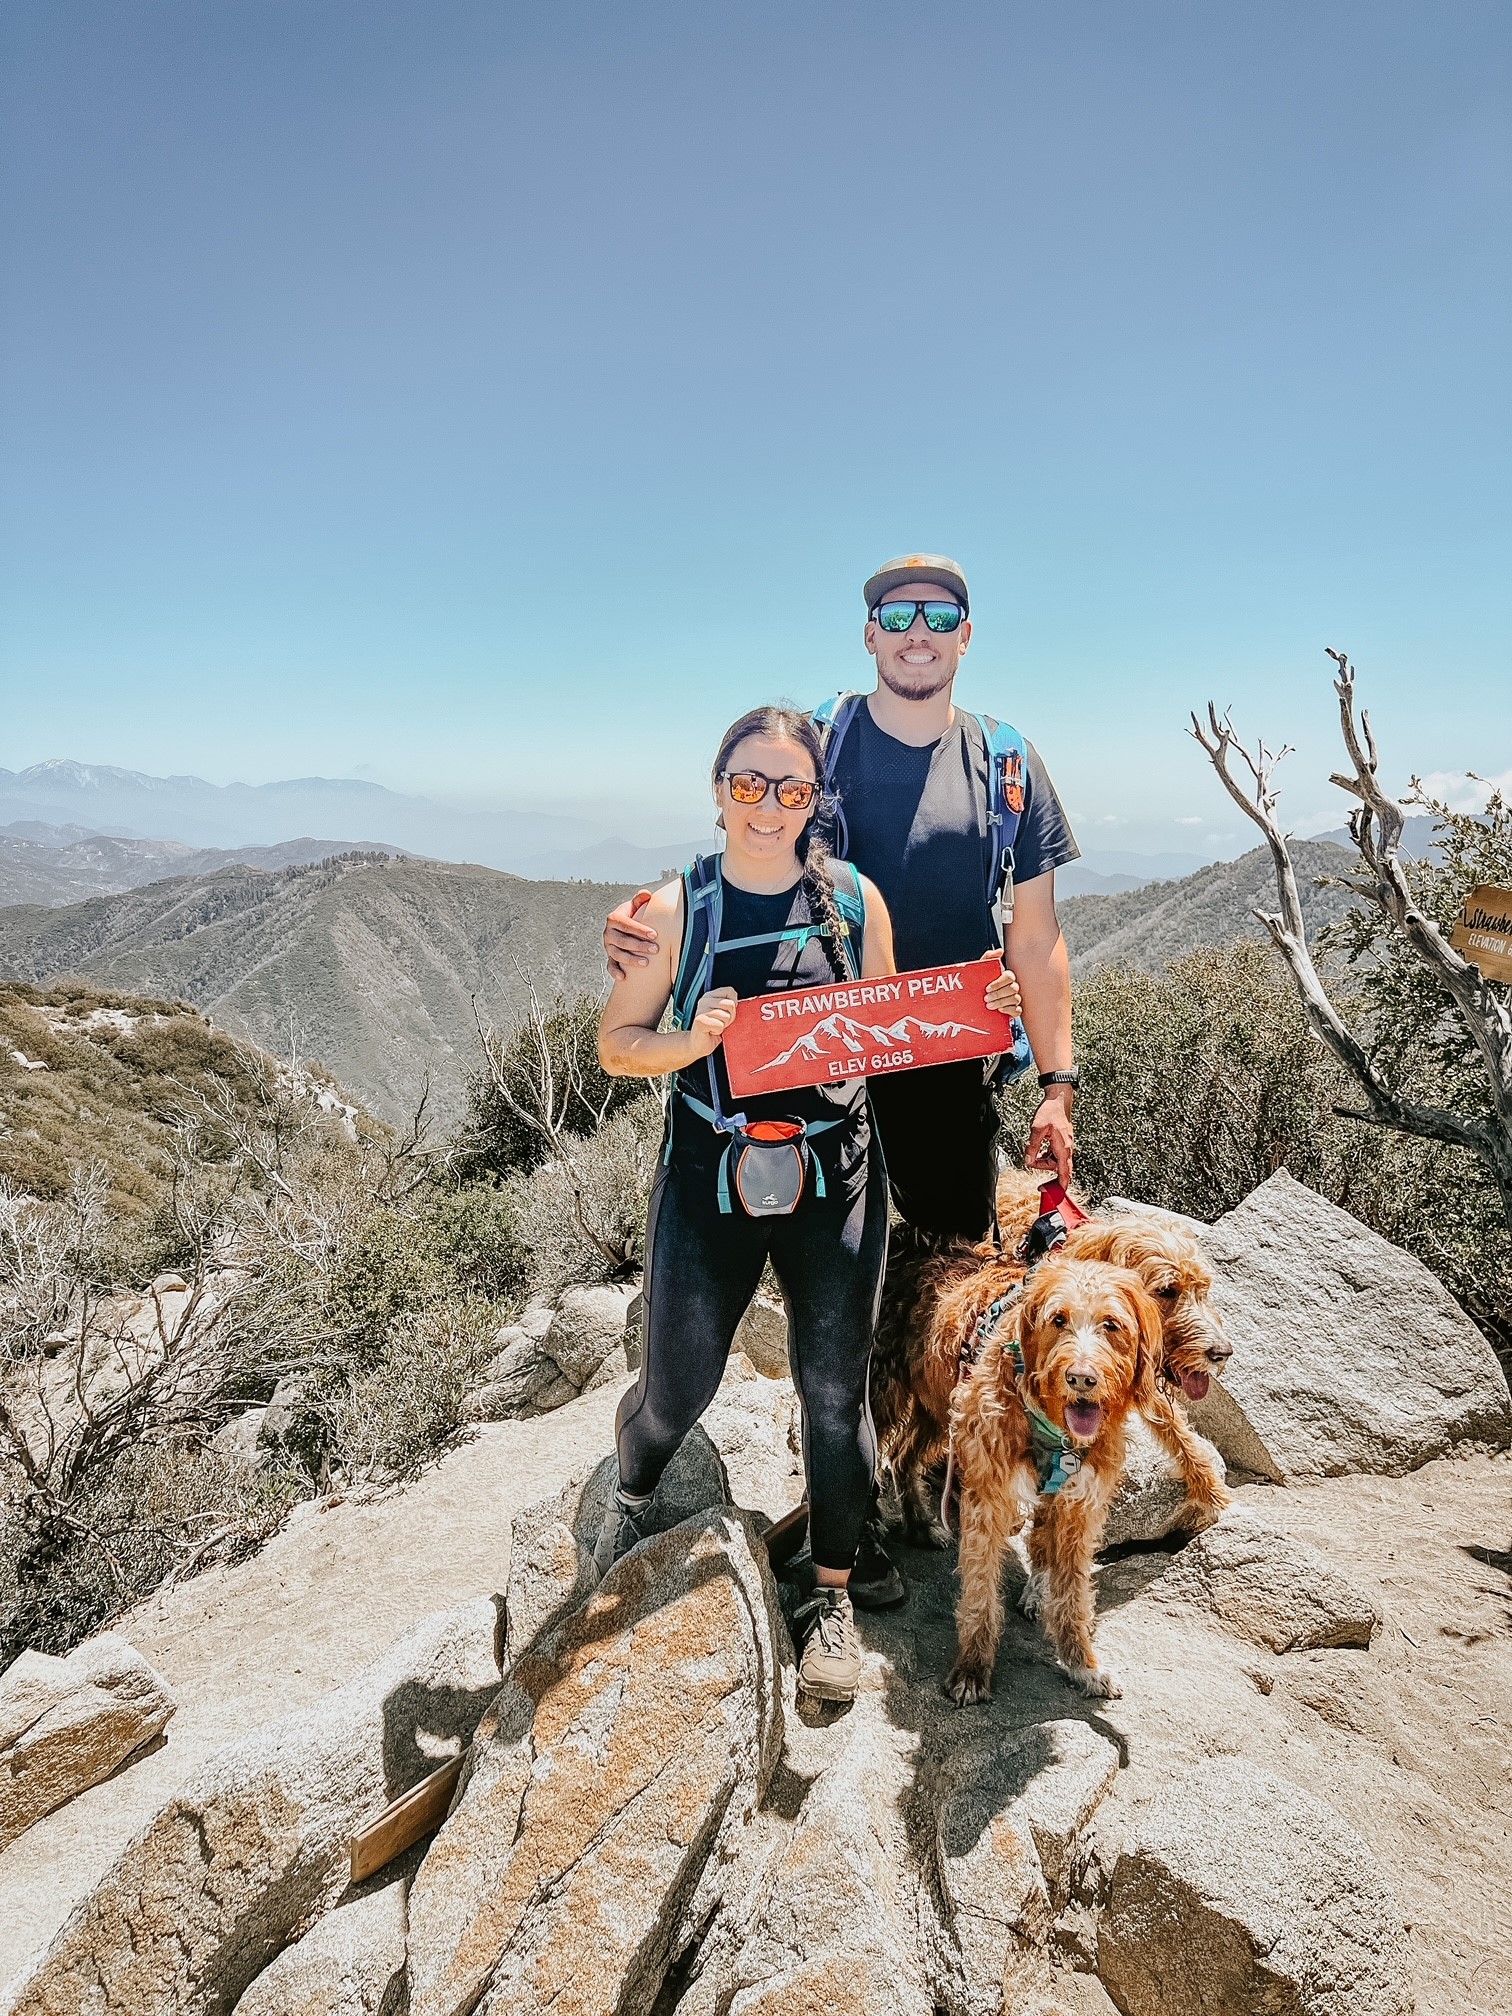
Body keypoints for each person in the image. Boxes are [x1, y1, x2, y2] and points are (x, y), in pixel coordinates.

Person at [604, 556, 1079, 1603]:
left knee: (949, 1281)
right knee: (842, 1307)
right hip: (817, 1079)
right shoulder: (827, 738)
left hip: (951, 1065)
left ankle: (918, 1472)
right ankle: (849, 1520)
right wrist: (654, 920)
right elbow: (755, 833)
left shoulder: (1006, 765)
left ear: (965, 634)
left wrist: (1057, 1081)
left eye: (939, 615)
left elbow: (1037, 940)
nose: (918, 630)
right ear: (869, 634)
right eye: (896, 614)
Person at [596, 704, 1020, 1702]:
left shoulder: (853, 902)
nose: (769, 807)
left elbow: (886, 1034)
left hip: (838, 1178)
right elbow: (617, 1045)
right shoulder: (672, 913)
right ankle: (631, 1489)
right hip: (712, 1178)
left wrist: (979, 1018)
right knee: (675, 1390)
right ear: (718, 789)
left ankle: (828, 1592)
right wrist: (690, 1043)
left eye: (791, 789)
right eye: (749, 784)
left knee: (834, 1396)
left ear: (814, 800)